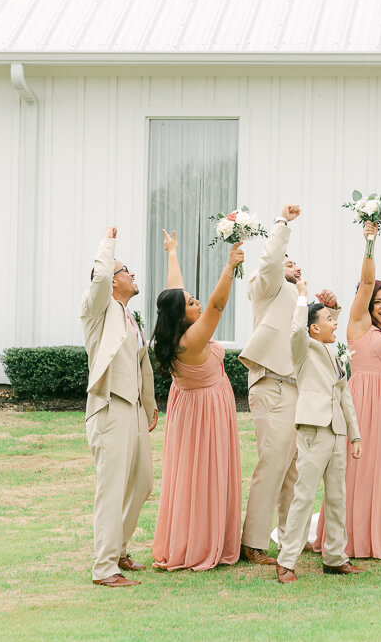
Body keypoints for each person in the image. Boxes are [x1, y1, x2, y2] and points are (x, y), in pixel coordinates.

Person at [151, 232, 244, 570]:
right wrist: (229, 267)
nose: (197, 303)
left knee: (190, 474)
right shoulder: (191, 338)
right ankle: (203, 544)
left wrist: (172, 253)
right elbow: (218, 306)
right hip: (206, 410)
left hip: (188, 408)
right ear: (182, 315)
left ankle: (193, 536)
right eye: (191, 303)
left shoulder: (173, 332)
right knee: (206, 474)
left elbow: (176, 291)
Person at [80, 226, 157, 587]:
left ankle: (120, 548)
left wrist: (150, 406)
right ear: (112, 280)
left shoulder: (129, 316)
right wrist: (107, 245)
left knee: (143, 482)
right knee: (111, 488)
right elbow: (97, 280)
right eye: (126, 271)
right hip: (110, 407)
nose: (133, 275)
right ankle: (104, 568)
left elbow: (142, 364)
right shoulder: (98, 309)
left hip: (134, 411)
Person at [239, 204, 315, 566]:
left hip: (296, 388)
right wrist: (283, 224)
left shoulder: (296, 297)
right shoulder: (265, 286)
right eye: (288, 262)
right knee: (272, 462)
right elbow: (270, 262)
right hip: (270, 383)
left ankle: (290, 540)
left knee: (294, 467)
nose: (293, 266)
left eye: (294, 263)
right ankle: (253, 542)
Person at [329, 221, 381, 559]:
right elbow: (365, 282)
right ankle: (354, 536)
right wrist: (370, 242)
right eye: (378, 301)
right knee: (360, 469)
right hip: (363, 402)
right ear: (367, 303)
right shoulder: (358, 325)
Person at [275, 286, 364, 582]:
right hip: (314, 429)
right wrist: (302, 296)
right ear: (314, 328)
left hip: (337, 430)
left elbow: (345, 395)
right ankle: (286, 561)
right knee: (304, 496)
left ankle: (336, 557)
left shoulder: (333, 352)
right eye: (328, 319)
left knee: (338, 497)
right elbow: (296, 329)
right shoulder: (303, 349)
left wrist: (355, 435)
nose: (335, 322)